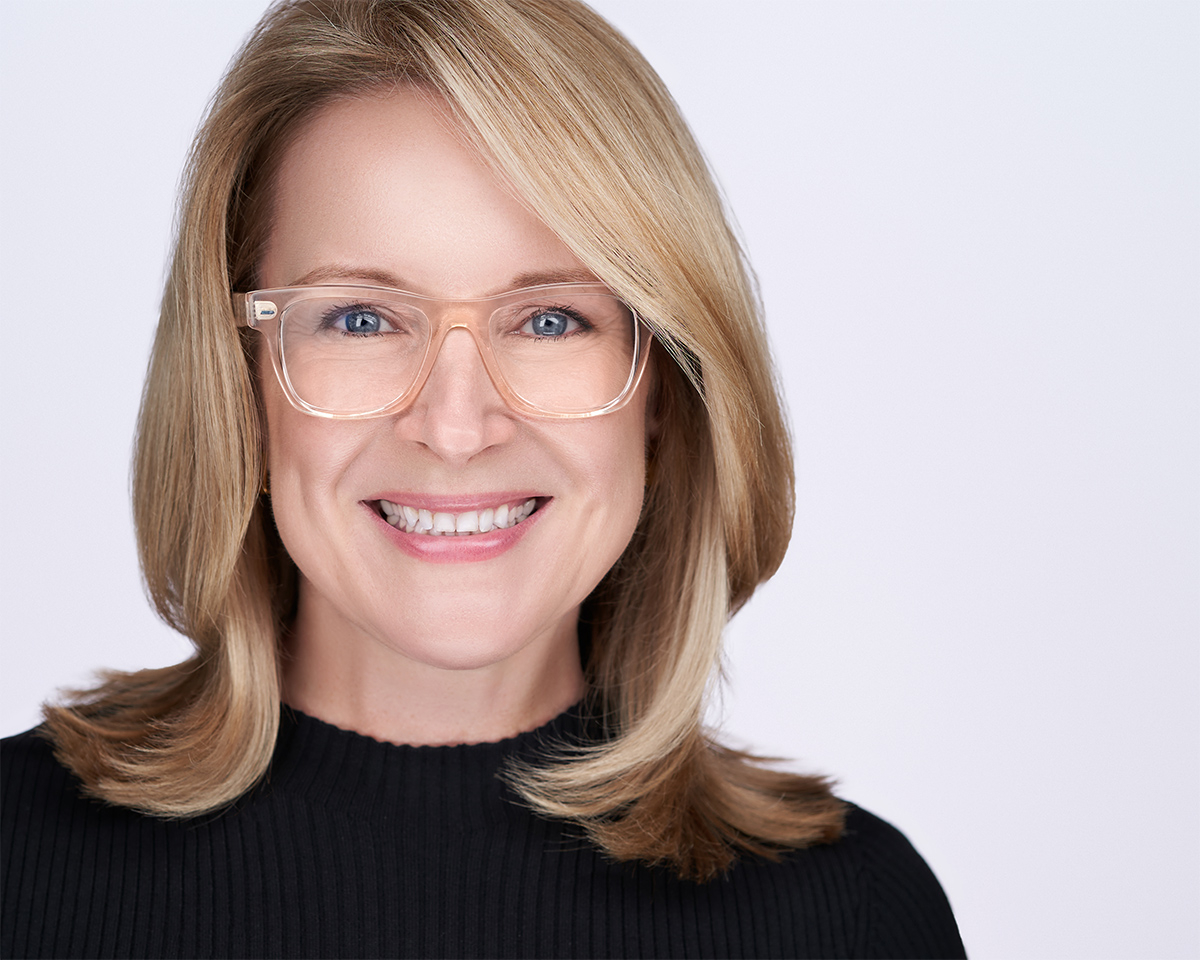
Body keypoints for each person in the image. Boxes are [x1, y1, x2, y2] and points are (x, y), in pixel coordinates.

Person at [1, 1, 965, 957]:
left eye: (549, 320)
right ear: (241, 386)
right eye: (361, 319)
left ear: (664, 392)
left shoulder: (856, 920)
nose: (456, 428)